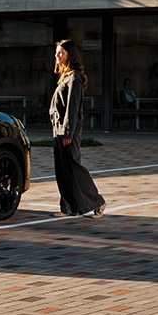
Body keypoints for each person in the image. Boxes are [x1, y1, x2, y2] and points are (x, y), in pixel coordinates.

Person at [49, 40, 106, 219]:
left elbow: (72, 109)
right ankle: (68, 207)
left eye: (62, 53)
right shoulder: (65, 77)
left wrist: (68, 133)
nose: (58, 55)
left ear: (70, 56)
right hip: (58, 130)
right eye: (57, 52)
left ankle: (97, 202)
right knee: (63, 169)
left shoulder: (74, 78)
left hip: (67, 132)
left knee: (74, 168)